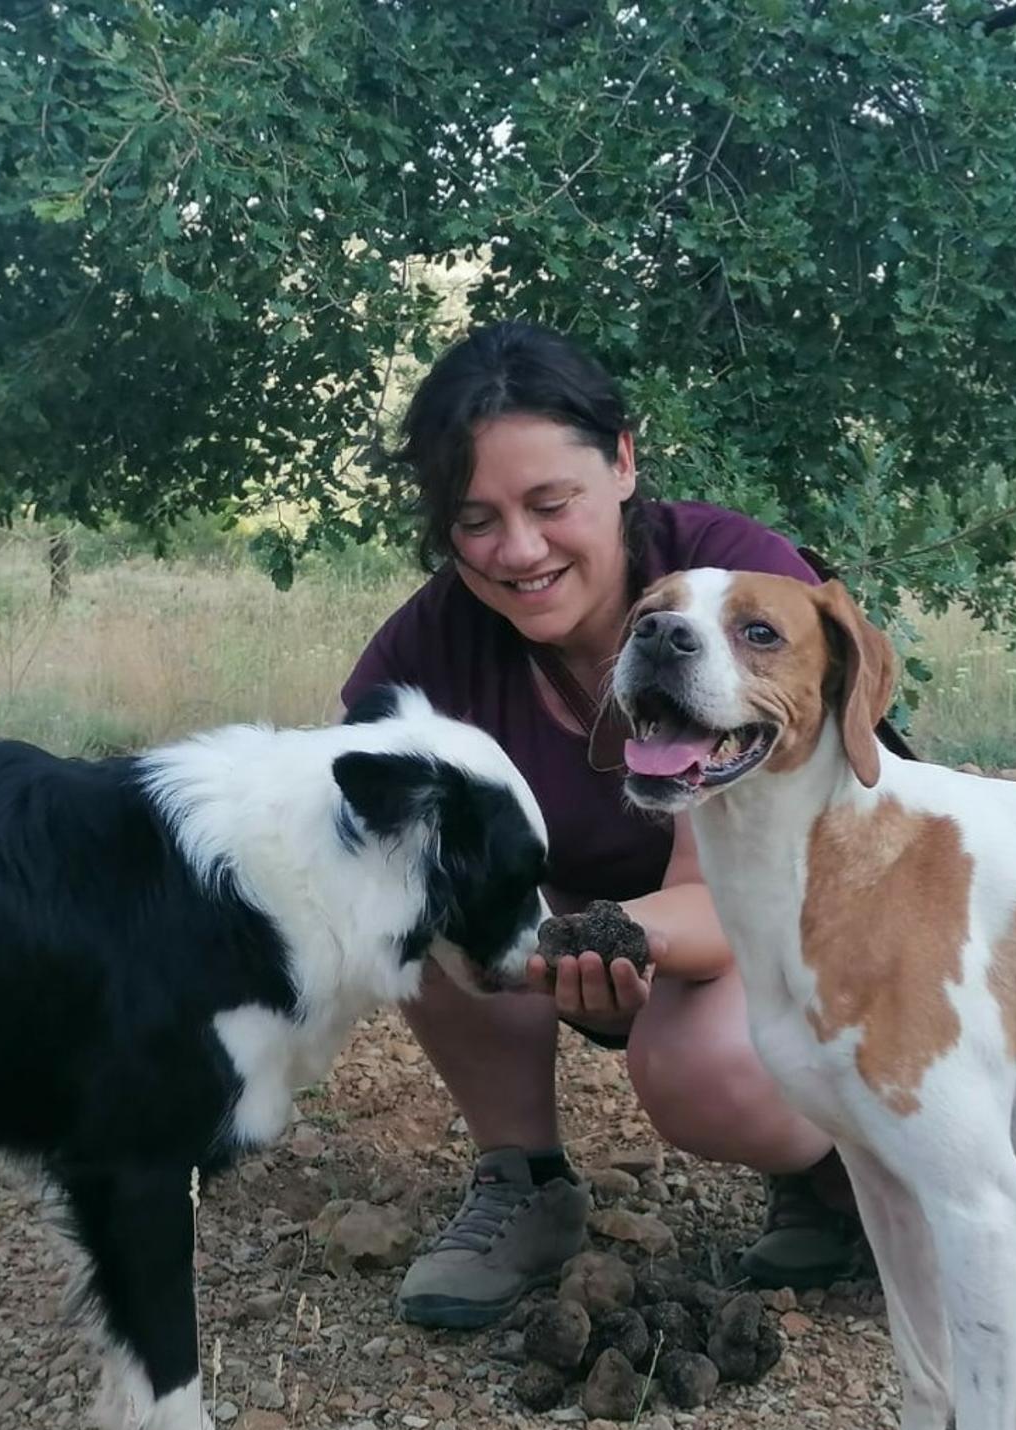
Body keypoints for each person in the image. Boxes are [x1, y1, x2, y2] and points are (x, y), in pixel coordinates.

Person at [340, 321, 866, 1330]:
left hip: (794, 923)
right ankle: (523, 1176)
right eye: (476, 518)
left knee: (705, 1070)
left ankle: (846, 1161)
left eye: (550, 503)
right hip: (600, 933)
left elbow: (725, 896)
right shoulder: (435, 641)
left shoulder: (735, 584)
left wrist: (589, 934)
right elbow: (332, 814)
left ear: (622, 460)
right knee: (412, 871)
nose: (519, 550)